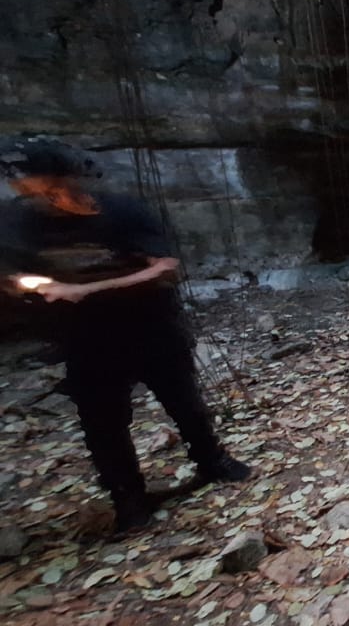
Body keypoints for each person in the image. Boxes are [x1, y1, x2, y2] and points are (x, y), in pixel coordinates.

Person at [0, 137, 251, 535]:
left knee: (185, 402)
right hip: (85, 338)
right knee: (103, 423)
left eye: (52, 187)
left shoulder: (122, 212)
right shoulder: (22, 224)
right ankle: (128, 499)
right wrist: (25, 286)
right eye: (35, 190)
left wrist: (87, 289)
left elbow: (167, 268)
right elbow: (12, 277)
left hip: (151, 326)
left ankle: (211, 460)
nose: (50, 198)